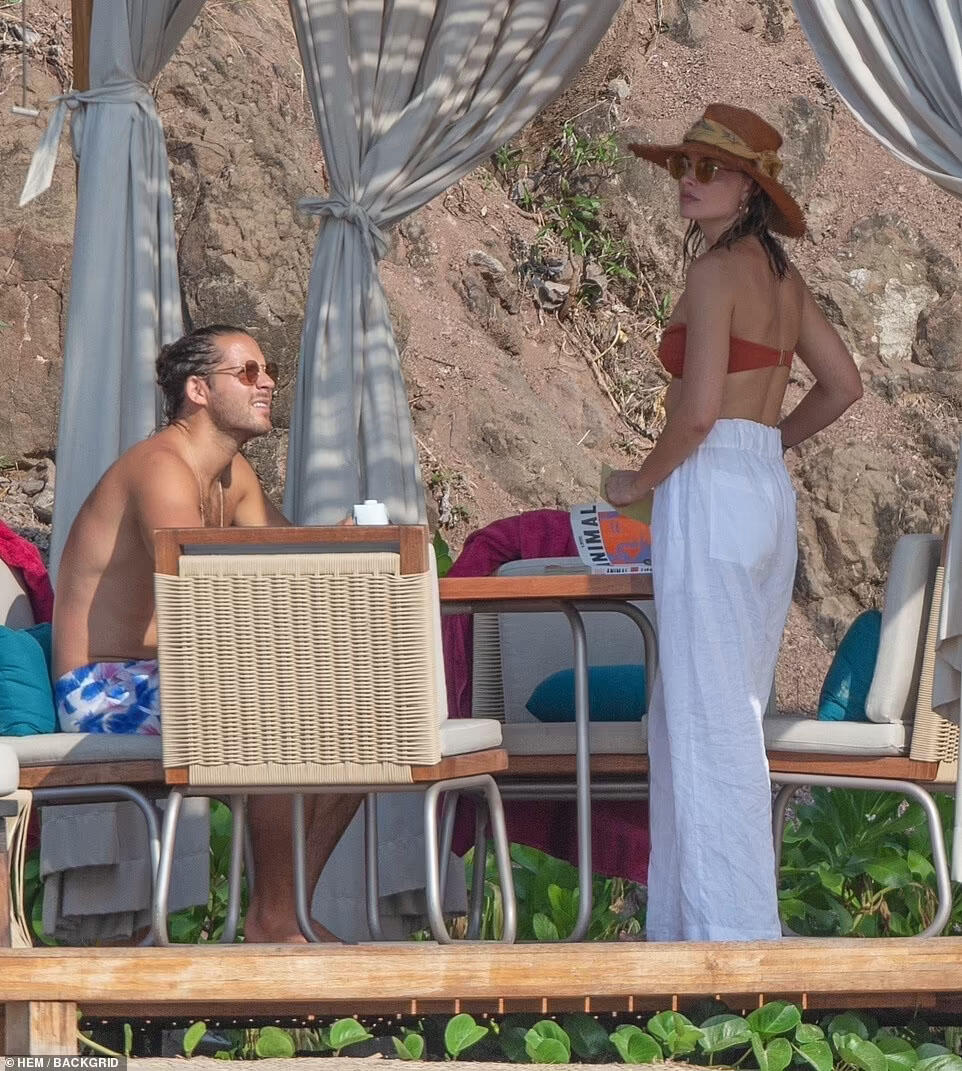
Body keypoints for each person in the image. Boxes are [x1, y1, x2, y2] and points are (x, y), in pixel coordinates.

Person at [604, 104, 863, 942]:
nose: (688, 178)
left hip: (713, 486)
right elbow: (844, 384)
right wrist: (770, 443)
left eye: (708, 168)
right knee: (716, 709)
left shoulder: (715, 273)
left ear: (750, 187)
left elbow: (697, 412)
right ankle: (688, 931)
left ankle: (735, 943)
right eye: (683, 164)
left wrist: (637, 481)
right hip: (762, 492)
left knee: (709, 717)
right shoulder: (785, 280)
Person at [53, 324, 362, 943]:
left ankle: (287, 911)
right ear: (198, 390)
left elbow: (296, 559)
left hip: (175, 677)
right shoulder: (162, 469)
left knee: (358, 716)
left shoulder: (231, 475)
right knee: (278, 707)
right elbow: (195, 590)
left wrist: (350, 540)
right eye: (247, 372)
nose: (266, 382)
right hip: (105, 689)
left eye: (267, 371)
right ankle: (276, 920)